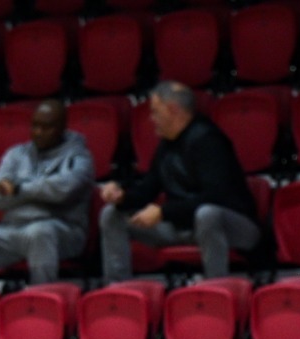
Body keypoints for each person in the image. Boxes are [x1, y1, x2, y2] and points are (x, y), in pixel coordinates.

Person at [98, 82, 261, 282]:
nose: (152, 118)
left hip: (232, 225)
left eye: (155, 112)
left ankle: (216, 287)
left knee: (207, 214)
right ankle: (117, 288)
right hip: (181, 225)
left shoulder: (209, 140)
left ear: (173, 110)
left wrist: (163, 212)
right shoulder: (166, 145)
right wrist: (121, 195)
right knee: (112, 214)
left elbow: (216, 196)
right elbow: (147, 189)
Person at [0, 100, 93, 289]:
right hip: (13, 228)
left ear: (62, 128)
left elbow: (63, 190)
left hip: (62, 230)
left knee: (40, 232)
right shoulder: (16, 154)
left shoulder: (79, 156)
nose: (38, 132)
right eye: (35, 126)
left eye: (46, 127)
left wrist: (19, 190)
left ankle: (42, 299)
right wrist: (39, 191)